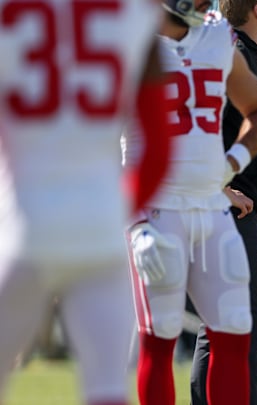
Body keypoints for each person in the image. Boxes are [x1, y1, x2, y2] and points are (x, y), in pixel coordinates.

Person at [0, 0, 172, 404]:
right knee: (108, 389)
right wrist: (113, 211)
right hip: (101, 228)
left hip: (24, 222)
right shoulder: (134, 12)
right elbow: (159, 151)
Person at [126, 1, 257, 404]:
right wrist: (132, 220)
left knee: (235, 334)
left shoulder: (215, 37)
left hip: (211, 210)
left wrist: (229, 166)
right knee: (159, 341)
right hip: (157, 211)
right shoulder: (127, 39)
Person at [188, 0, 257, 404]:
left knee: (230, 324)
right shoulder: (232, 55)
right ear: (256, 10)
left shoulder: (241, 53)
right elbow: (195, 130)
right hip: (226, 209)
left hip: (234, 207)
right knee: (237, 324)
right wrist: (218, 187)